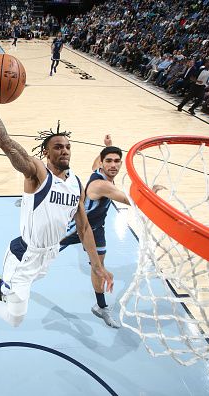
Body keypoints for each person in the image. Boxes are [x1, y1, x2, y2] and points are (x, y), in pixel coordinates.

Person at [0, 88, 114, 327]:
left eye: (68, 146)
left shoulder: (75, 184)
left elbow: (84, 229)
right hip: (24, 254)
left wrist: (98, 266)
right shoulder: (38, 173)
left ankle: (5, 287)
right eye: (58, 147)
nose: (65, 150)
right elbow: (6, 143)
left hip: (49, 255)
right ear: (46, 152)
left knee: (19, 293)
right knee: (15, 319)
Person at [60, 134, 164, 328]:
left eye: (117, 161)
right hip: (76, 228)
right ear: (102, 163)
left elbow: (101, 161)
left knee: (97, 266)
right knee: (40, 254)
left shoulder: (98, 169)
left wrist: (109, 146)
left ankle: (100, 307)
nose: (113, 165)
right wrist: (152, 192)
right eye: (109, 161)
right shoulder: (102, 185)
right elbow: (133, 202)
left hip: (97, 228)